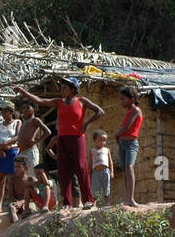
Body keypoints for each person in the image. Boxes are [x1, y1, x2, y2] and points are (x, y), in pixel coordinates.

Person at [13, 76, 103, 208]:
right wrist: (22, 91)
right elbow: (40, 100)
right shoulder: (59, 102)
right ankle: (67, 202)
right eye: (61, 86)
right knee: (64, 170)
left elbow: (100, 111)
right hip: (62, 139)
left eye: (65, 87)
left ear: (73, 89)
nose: (62, 89)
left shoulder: (81, 101)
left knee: (81, 168)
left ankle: (88, 200)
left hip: (77, 138)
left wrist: (86, 124)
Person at [9, 99, 52, 210]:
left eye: (28, 107)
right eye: (23, 108)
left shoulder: (35, 120)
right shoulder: (24, 122)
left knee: (32, 177)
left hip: (30, 151)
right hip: (23, 152)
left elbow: (47, 131)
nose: (25, 110)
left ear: (34, 109)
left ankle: (35, 203)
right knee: (26, 178)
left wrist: (37, 141)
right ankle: (26, 203)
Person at [113, 86, 144, 207]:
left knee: (129, 167)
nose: (121, 102)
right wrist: (119, 137)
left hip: (131, 143)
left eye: (123, 99)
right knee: (125, 170)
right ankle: (127, 197)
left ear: (132, 99)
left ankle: (131, 198)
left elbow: (127, 127)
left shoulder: (136, 110)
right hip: (122, 143)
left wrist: (116, 134)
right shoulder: (129, 111)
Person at [0, 104, 20, 212]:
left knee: (14, 177)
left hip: (11, 151)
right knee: (0, 179)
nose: (3, 114)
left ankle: (14, 202)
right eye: (2, 112)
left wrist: (4, 144)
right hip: (0, 153)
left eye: (5, 111)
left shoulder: (17, 122)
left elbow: (18, 136)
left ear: (11, 111)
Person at [7, 158, 49, 224]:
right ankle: (15, 227)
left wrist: (22, 202)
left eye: (18, 167)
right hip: (17, 204)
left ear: (26, 168)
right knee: (11, 208)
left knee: (31, 210)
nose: (15, 169)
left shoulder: (30, 179)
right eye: (14, 166)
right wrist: (16, 202)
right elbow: (11, 196)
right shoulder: (12, 180)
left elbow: (33, 196)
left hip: (28, 203)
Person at [89, 129, 112, 207]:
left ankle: (107, 203)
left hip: (105, 171)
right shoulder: (92, 150)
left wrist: (112, 172)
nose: (102, 142)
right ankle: (94, 204)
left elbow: (110, 161)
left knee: (106, 187)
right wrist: (89, 173)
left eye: (104, 140)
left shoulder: (107, 150)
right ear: (94, 140)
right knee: (95, 188)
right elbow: (90, 163)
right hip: (96, 172)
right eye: (100, 140)